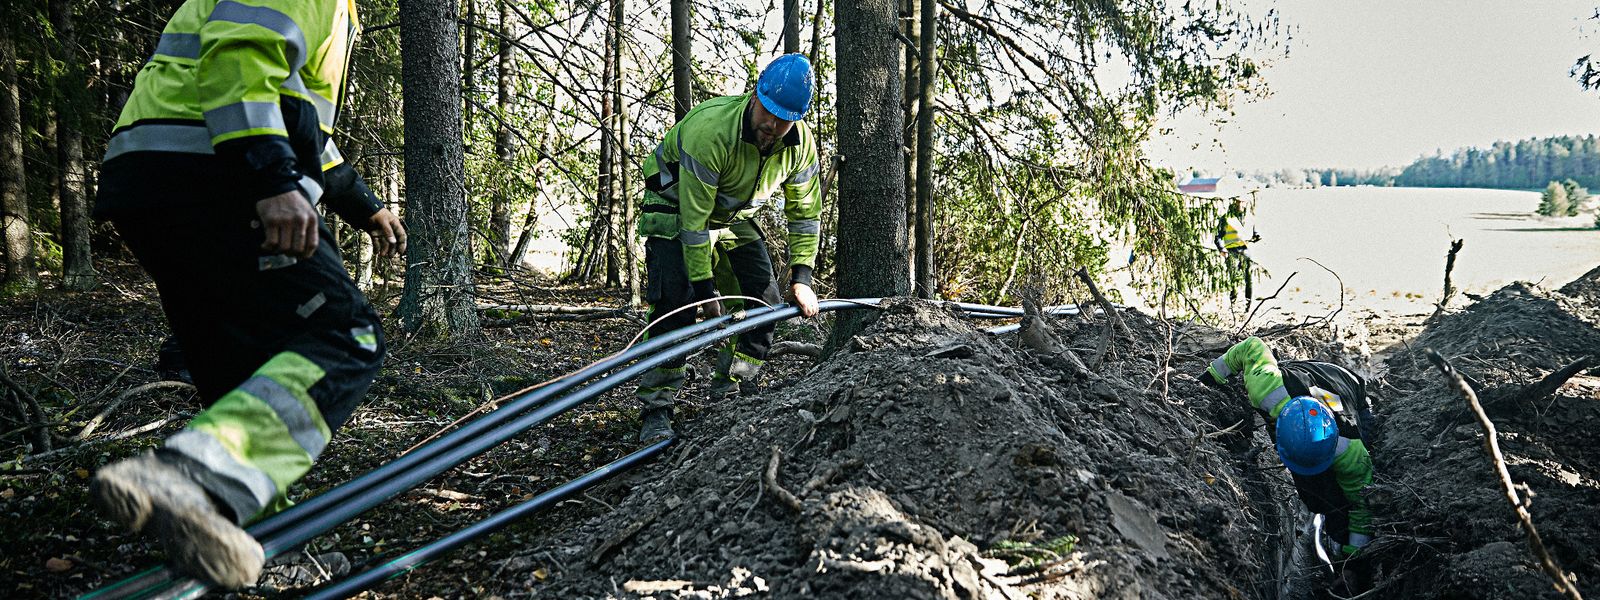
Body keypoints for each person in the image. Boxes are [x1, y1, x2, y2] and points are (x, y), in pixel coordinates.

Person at [88, 0, 403, 589]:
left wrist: (364, 205)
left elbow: (295, 114)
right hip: (212, 172)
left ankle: (257, 542)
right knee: (345, 334)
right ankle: (188, 480)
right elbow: (239, 62)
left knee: (240, 370)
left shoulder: (336, 11)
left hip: (157, 182)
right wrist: (269, 177)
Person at [633, 53, 824, 442]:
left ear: (798, 118)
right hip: (674, 208)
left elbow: (805, 212)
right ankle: (657, 407)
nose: (772, 126)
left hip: (730, 216)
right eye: (767, 113)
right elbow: (694, 221)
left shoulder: (800, 147)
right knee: (677, 303)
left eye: (784, 119)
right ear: (755, 95)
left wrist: (802, 276)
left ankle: (731, 389)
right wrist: (705, 292)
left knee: (765, 303)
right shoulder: (712, 131)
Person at [1199, 336, 1378, 592]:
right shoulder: (1268, 389)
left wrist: (1354, 562)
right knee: (1314, 498)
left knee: (1340, 502)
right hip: (1305, 374)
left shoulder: (1352, 452)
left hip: (1348, 385)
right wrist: (1212, 376)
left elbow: (1362, 506)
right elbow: (1252, 346)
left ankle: (1338, 548)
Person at [1214, 196, 1259, 311]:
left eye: (1242, 202)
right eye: (1237, 202)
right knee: (1233, 278)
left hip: (1245, 250)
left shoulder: (1250, 219)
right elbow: (1218, 236)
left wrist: (1256, 237)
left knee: (1249, 279)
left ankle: (1248, 308)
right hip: (1231, 251)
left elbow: (1254, 233)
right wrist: (1221, 249)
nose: (1239, 205)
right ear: (1233, 203)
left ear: (1245, 204)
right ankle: (1233, 306)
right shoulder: (1226, 218)